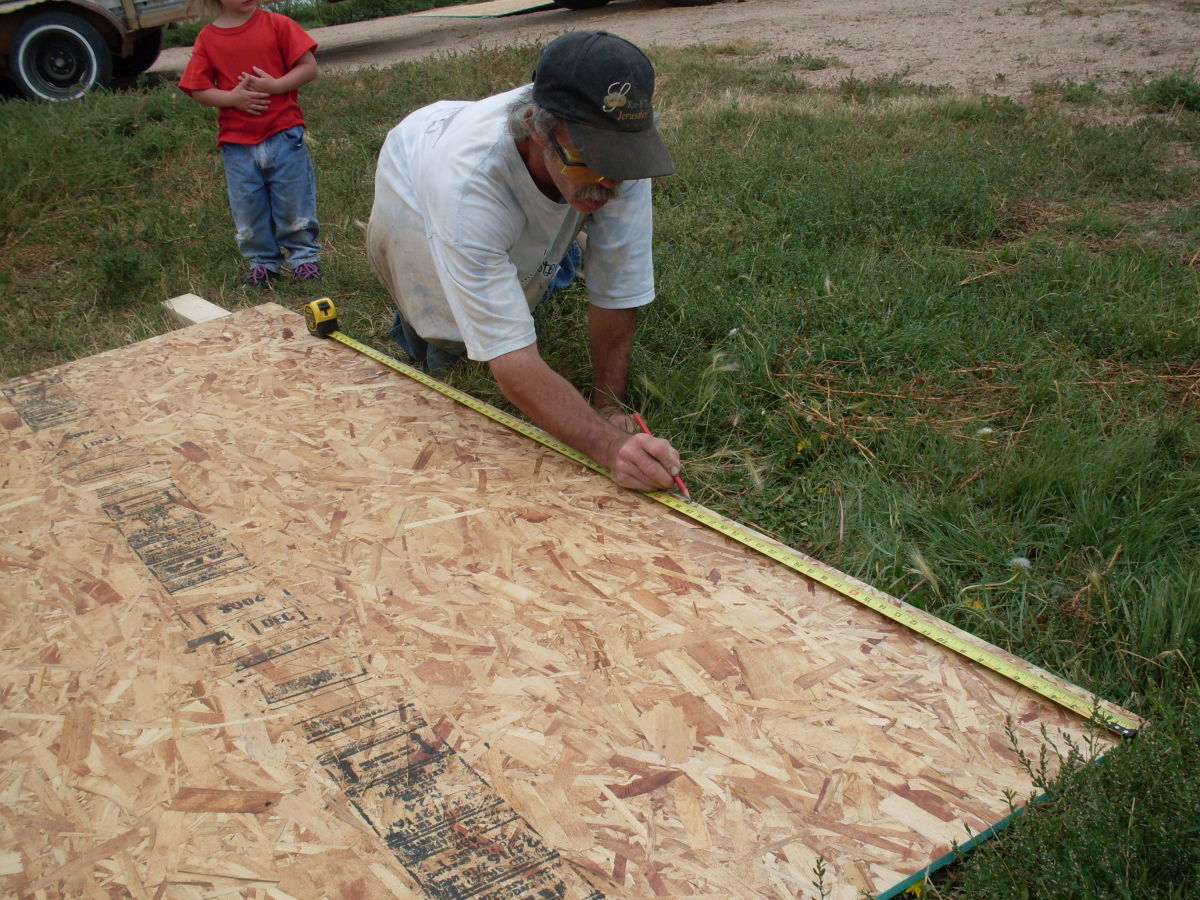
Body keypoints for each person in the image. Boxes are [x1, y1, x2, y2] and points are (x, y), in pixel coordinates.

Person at [367, 30, 683, 493]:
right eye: (591, 160)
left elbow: (617, 286)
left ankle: (529, 276)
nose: (609, 180)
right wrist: (608, 448)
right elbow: (510, 357)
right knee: (447, 328)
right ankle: (419, 339)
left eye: (619, 161)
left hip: (488, 181)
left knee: (533, 266)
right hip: (415, 172)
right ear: (537, 127)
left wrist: (608, 405)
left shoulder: (617, 154)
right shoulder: (464, 187)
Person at [179, 0, 323, 291]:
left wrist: (277, 86)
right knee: (248, 210)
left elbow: (308, 67)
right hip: (237, 145)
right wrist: (231, 99)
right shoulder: (209, 37)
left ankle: (304, 260)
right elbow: (197, 87)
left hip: (284, 134)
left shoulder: (278, 25)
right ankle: (263, 265)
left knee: (294, 202)